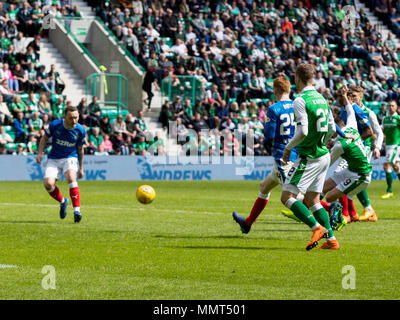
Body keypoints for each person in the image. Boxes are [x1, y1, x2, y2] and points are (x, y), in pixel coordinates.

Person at [280, 64, 338, 250]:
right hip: (323, 155)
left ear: (297, 77)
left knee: (287, 196)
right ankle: (331, 240)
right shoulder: (322, 99)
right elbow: (332, 128)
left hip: (309, 157)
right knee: (312, 199)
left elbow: (303, 131)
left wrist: (289, 147)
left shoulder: (300, 100)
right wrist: (322, 141)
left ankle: (317, 228)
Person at [232, 77, 297, 233]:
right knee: (264, 186)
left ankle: (329, 209)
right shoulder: (297, 105)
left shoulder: (274, 108)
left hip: (283, 156)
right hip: (296, 152)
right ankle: (247, 223)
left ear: (275, 90)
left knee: (292, 197)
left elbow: (268, 135)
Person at [36, 106, 86, 223]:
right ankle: (63, 201)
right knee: (48, 184)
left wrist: (81, 168)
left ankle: (77, 211)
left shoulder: (80, 130)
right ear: (64, 117)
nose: (74, 121)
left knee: (71, 177)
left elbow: (80, 149)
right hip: (54, 158)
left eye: (76, 118)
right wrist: (39, 153)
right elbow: (44, 139)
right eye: (71, 118)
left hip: (70, 157)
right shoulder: (55, 125)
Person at [381, 100, 400, 200]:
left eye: (393, 106)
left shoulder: (398, 118)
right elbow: (383, 131)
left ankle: (389, 191)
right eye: (389, 106)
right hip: (388, 145)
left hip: (395, 146)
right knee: (396, 167)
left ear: (396, 107)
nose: (390, 107)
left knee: (386, 165)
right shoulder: (385, 119)